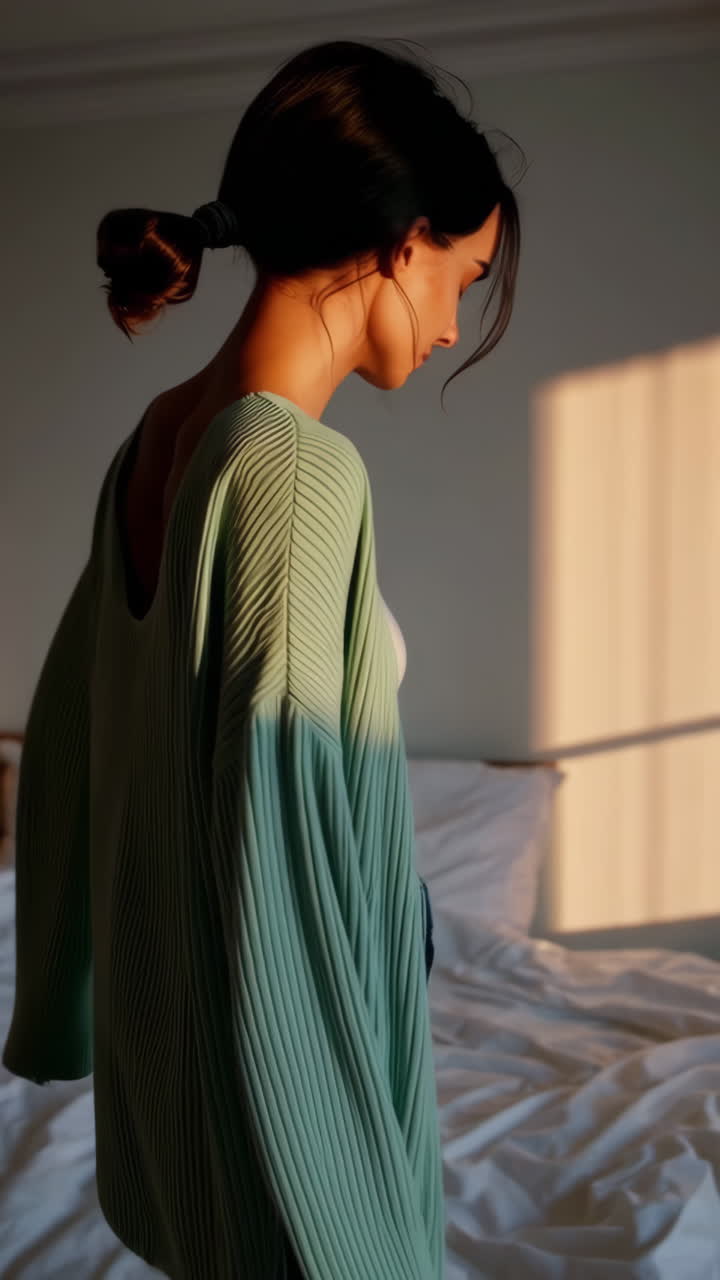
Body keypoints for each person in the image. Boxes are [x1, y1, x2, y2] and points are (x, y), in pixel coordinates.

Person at [2, 37, 522, 1280]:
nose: (454, 324)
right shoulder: (294, 469)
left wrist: (61, 1004)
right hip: (282, 1134)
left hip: (173, 1094)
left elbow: (70, 737)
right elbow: (279, 878)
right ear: (403, 246)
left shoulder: (156, 440)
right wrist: (359, 1229)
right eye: (468, 273)